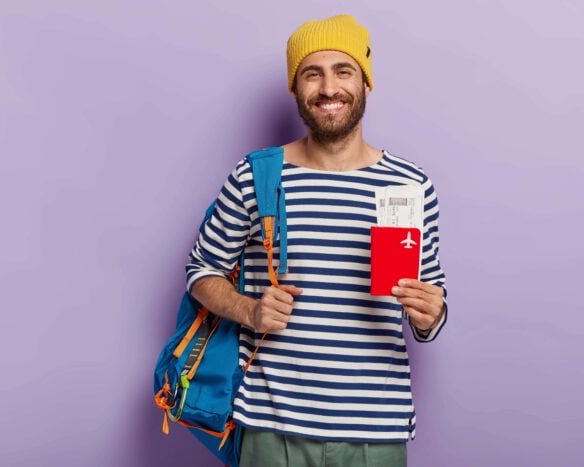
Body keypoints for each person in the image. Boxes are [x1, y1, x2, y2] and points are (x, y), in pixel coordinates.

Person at [186, 14, 448, 467]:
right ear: (295, 88)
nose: (328, 88)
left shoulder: (409, 185)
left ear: (365, 82)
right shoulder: (256, 175)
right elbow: (200, 272)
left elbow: (430, 296)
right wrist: (250, 310)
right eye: (312, 73)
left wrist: (431, 314)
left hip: (376, 431)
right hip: (272, 429)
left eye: (343, 71)